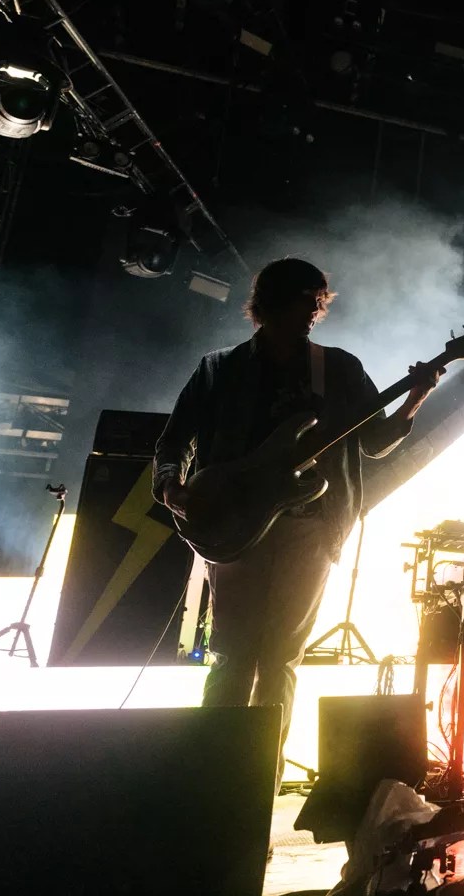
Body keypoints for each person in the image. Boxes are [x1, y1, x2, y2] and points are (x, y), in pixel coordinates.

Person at [154, 258, 440, 772]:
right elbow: (172, 441)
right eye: (305, 300)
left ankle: (260, 774)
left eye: (319, 302)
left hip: (310, 527)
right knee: (234, 656)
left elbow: (374, 443)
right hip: (233, 525)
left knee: (280, 658)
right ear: (270, 302)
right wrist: (171, 489)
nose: (314, 311)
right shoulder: (219, 368)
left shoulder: (338, 369)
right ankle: (209, 774)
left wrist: (417, 395)